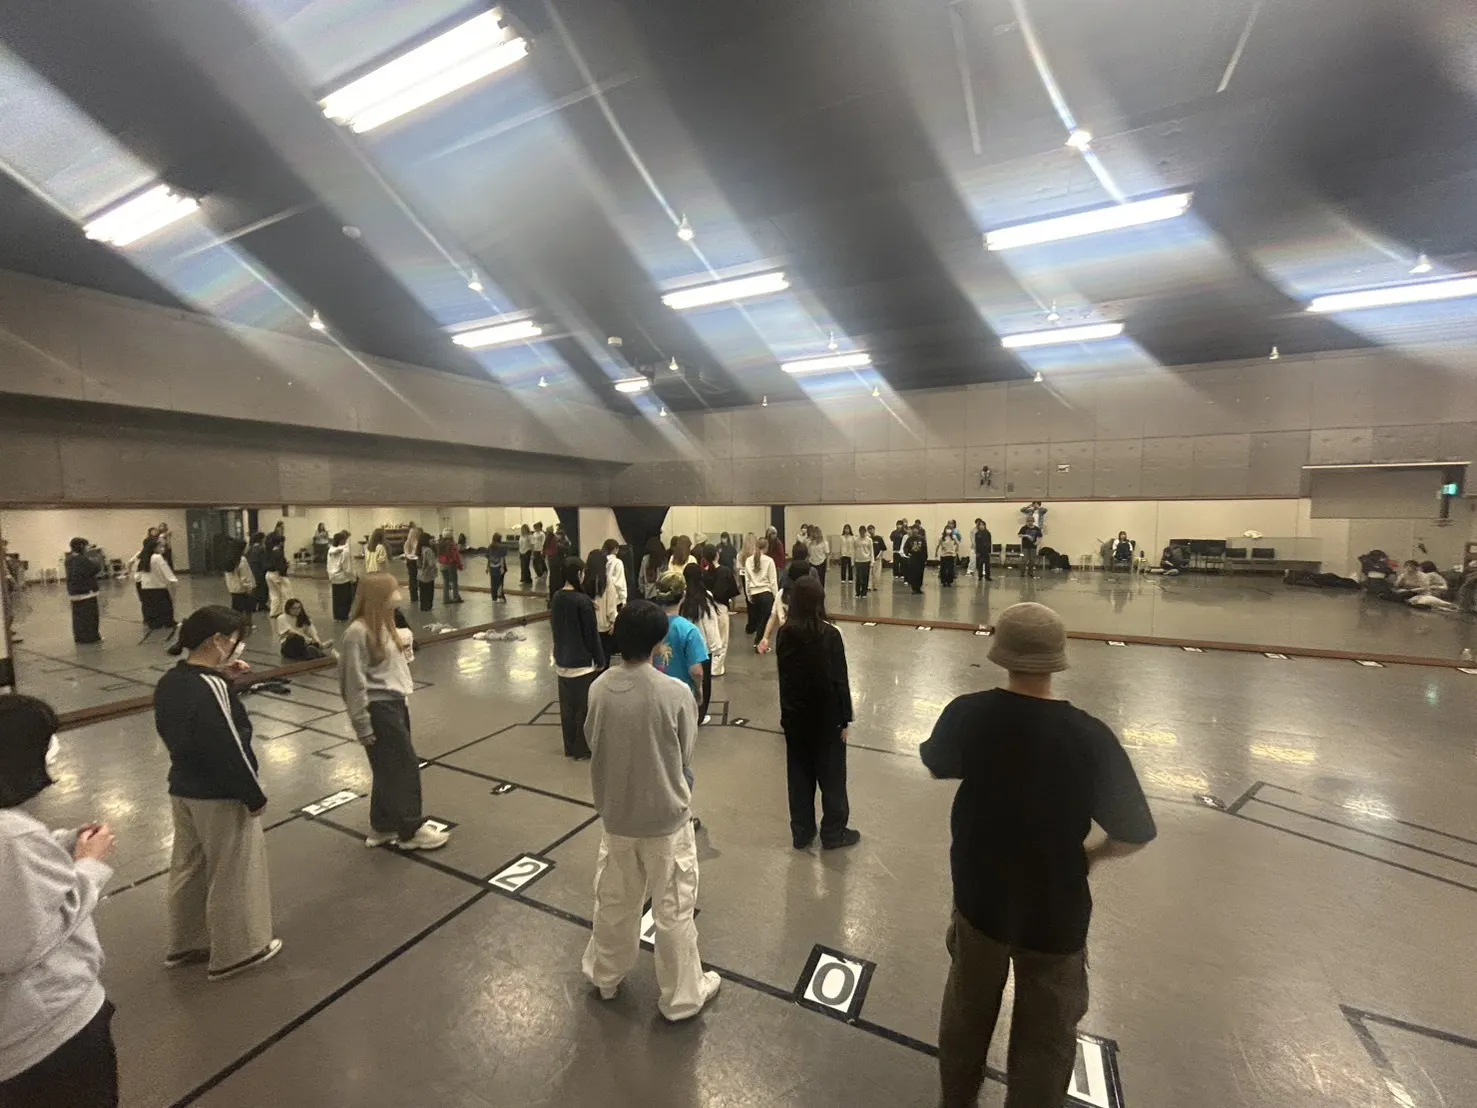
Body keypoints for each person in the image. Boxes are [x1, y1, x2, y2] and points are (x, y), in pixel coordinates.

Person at [919, 602, 1156, 1108]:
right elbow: (1135, 832)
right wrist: (1091, 856)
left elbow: (937, 763)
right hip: (1056, 910)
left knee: (966, 1014)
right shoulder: (1091, 737)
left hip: (981, 899)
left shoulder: (969, 713)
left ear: (1001, 653)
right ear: (1057, 658)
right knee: (1047, 1042)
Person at [581, 601, 721, 1020]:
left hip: (617, 819)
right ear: (660, 643)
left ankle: (605, 977)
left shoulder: (598, 688)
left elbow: (593, 739)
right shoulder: (675, 693)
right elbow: (685, 752)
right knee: (673, 910)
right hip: (666, 823)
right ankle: (682, 998)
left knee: (614, 903)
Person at [0, 693, 119, 1108]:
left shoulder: (16, 838)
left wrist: (60, 844)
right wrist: (90, 866)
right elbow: (27, 938)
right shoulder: (12, 836)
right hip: (47, 1034)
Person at [156, 606, 283, 981]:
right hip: (220, 793)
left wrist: (225, 679)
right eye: (236, 640)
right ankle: (239, 950)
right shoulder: (210, 688)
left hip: (183, 788)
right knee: (234, 871)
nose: (238, 647)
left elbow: (195, 719)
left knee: (189, 867)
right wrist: (253, 794)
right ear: (217, 641)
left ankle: (187, 942)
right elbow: (229, 746)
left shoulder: (173, 680)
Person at [339, 573, 448, 851]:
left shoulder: (386, 625)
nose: (398, 594)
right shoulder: (357, 633)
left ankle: (382, 825)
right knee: (403, 767)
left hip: (396, 704)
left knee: (387, 768)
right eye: (392, 590)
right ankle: (410, 829)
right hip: (379, 708)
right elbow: (352, 684)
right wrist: (362, 725)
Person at [771, 575, 860, 851]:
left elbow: (785, 678)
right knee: (832, 778)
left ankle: (801, 832)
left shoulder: (784, 634)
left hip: (795, 718)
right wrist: (845, 720)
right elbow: (840, 681)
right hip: (827, 720)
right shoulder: (830, 635)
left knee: (799, 778)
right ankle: (833, 832)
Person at [552, 557, 606, 760]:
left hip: (562, 660)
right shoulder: (582, 602)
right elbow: (591, 635)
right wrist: (600, 660)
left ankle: (570, 746)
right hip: (582, 663)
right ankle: (582, 749)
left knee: (567, 708)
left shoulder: (557, 597)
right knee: (583, 708)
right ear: (578, 574)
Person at [651, 573, 709, 715]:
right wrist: (699, 688)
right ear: (683, 595)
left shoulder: (649, 624)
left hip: (653, 693)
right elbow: (696, 671)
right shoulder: (689, 630)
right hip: (681, 696)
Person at [679, 564, 724, 725]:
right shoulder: (706, 597)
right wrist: (716, 647)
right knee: (705, 683)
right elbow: (710, 624)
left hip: (685, 646)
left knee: (687, 680)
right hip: (703, 648)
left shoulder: (682, 597)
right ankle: (701, 715)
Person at [699, 543, 739, 677]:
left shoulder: (703, 573)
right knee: (722, 639)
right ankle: (716, 668)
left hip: (707, 607)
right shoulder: (725, 571)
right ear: (717, 555)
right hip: (721, 607)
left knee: (709, 638)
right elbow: (732, 591)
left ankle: (708, 666)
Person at [590, 539, 627, 660]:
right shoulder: (617, 562)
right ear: (615, 549)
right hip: (613, 598)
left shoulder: (599, 562)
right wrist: (624, 599)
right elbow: (620, 582)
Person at [741, 533, 778, 651]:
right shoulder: (769, 561)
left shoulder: (748, 560)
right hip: (766, 593)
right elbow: (773, 581)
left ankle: (758, 641)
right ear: (766, 548)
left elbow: (747, 580)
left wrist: (748, 595)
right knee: (765, 620)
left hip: (754, 593)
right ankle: (759, 643)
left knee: (758, 618)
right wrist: (776, 596)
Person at [136, 534, 179, 634]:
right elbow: (166, 570)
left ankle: (154, 624)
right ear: (154, 548)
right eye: (160, 547)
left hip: (145, 587)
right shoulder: (157, 557)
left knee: (152, 607)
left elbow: (138, 575)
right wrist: (173, 581)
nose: (162, 548)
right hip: (158, 586)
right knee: (166, 606)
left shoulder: (144, 557)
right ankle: (168, 623)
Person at [65, 537, 103, 645]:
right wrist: (94, 558)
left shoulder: (69, 559)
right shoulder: (82, 559)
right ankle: (91, 637)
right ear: (81, 546)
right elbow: (95, 568)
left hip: (74, 592)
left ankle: (79, 637)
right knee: (90, 616)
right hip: (86, 592)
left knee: (78, 617)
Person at [222, 537, 258, 617]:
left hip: (234, 591)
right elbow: (245, 577)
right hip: (244, 591)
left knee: (237, 613)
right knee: (247, 614)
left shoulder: (228, 559)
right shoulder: (242, 560)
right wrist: (250, 588)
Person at [326, 531, 357, 620]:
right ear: (341, 540)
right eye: (345, 539)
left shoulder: (330, 550)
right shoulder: (345, 551)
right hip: (343, 578)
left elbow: (328, 564)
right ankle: (343, 616)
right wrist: (353, 578)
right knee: (345, 599)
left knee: (336, 599)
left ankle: (336, 616)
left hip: (333, 577)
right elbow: (346, 567)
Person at [262, 534, 293, 618]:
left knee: (274, 595)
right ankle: (287, 613)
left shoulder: (268, 551)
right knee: (287, 595)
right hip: (277, 574)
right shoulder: (278, 552)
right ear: (280, 542)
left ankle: (274, 612)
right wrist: (286, 566)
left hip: (268, 574)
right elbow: (280, 566)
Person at [245, 532, 269, 613]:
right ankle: (262, 605)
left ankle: (253, 606)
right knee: (263, 589)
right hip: (260, 571)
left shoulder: (250, 549)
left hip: (252, 571)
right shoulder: (261, 549)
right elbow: (264, 562)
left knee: (254, 589)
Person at [438, 534, 465, 604]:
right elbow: (455, 556)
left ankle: (446, 599)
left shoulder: (440, 544)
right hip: (450, 565)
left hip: (442, 565)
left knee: (445, 582)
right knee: (454, 582)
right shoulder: (451, 544)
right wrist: (460, 565)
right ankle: (456, 597)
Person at [402, 522, 423, 608]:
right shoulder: (416, 542)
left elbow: (406, 552)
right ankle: (417, 595)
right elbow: (416, 552)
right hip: (414, 562)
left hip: (409, 561)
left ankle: (413, 596)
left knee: (412, 578)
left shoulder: (407, 542)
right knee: (416, 579)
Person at [416, 535, 439, 611]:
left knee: (422, 591)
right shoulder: (428, 550)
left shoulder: (419, 549)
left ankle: (423, 606)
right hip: (428, 574)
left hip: (420, 573)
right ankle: (428, 606)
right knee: (429, 591)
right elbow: (431, 563)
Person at [903, 526, 928, 595]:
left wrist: (925, 558)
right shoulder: (909, 539)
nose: (915, 531)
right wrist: (907, 553)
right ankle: (914, 588)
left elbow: (925, 549)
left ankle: (918, 588)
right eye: (913, 529)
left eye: (916, 529)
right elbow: (905, 547)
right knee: (913, 573)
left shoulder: (922, 539)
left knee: (920, 574)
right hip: (913, 558)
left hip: (920, 559)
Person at [487, 534, 509, 602]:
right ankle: (500, 596)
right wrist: (502, 567)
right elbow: (502, 558)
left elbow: (489, 558)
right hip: (498, 567)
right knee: (500, 582)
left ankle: (494, 597)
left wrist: (488, 567)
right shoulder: (500, 547)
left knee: (493, 582)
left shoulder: (490, 546)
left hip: (492, 567)